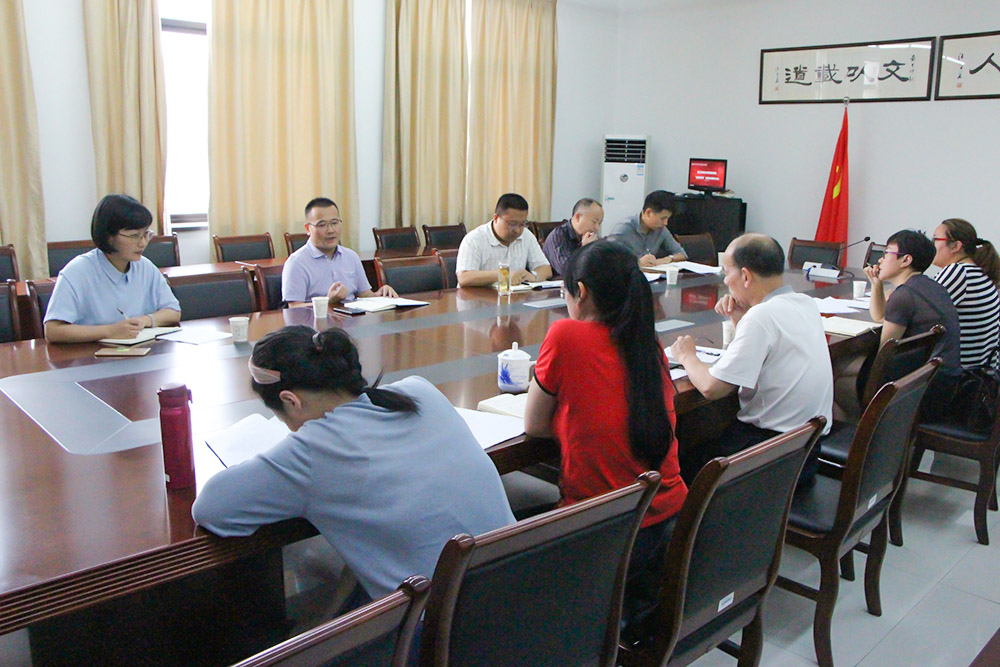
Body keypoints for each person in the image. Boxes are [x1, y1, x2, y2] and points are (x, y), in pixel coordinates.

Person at [192, 325, 515, 605]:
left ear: (291, 400)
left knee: (308, 556)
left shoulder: (312, 452)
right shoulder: (420, 391)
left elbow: (211, 508)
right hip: (520, 594)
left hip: (443, 633)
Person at [523, 240, 687, 605]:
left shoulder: (565, 335)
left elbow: (533, 425)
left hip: (607, 537)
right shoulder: (647, 342)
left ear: (580, 292)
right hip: (671, 524)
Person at [670, 233, 833, 484]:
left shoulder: (762, 317)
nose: (725, 281)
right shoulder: (805, 303)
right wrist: (740, 317)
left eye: (727, 273)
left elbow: (712, 388)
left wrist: (686, 356)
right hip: (804, 453)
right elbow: (759, 357)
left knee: (680, 465)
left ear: (745, 276)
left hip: (767, 458)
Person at [44, 194, 181, 343]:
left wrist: (144, 320)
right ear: (109, 236)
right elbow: (53, 330)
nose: (142, 243)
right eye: (134, 236)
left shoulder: (145, 267)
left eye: (146, 234)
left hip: (139, 352)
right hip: (91, 354)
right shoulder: (77, 272)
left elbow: (173, 311)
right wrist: (109, 331)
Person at [865, 229, 962, 419]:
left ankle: (862, 427)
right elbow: (879, 316)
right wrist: (876, 284)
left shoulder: (904, 295)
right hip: (946, 383)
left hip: (925, 392)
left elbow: (884, 353)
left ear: (906, 260)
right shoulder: (928, 286)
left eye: (886, 253)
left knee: (845, 377)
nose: (880, 260)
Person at [282, 197, 398, 306]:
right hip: (317, 320)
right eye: (322, 225)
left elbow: (365, 295)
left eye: (334, 223)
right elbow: (295, 308)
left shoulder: (351, 256)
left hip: (353, 318)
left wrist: (381, 294)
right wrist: (328, 302)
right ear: (308, 229)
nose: (330, 230)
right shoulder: (296, 263)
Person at [931, 218, 1000, 368]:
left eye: (935, 239)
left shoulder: (958, 271)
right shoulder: (978, 271)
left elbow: (917, 312)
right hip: (979, 372)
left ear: (956, 246)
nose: (931, 245)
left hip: (960, 373)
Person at [455, 193, 552, 287]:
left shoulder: (527, 236)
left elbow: (545, 268)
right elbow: (464, 277)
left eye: (522, 224)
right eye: (512, 223)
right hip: (477, 297)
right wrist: (503, 274)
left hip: (514, 296)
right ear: (496, 218)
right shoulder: (474, 239)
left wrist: (533, 276)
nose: (517, 230)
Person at [609, 190, 687, 268]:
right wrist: (637, 263)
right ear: (648, 213)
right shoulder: (623, 229)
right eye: (663, 218)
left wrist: (668, 259)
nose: (665, 223)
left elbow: (682, 254)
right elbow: (608, 261)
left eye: (667, 219)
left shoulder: (661, 230)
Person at [541, 198, 603, 276]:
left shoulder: (591, 237)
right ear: (578, 217)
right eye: (594, 222)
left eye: (599, 223)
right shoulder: (558, 236)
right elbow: (566, 270)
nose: (597, 227)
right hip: (559, 282)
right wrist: (585, 248)